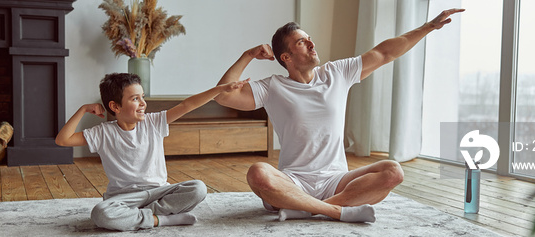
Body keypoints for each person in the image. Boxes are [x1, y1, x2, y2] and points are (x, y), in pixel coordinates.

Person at [214, 9, 465, 222]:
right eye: (302, 42)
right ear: (286, 57)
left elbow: (385, 53)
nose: (312, 44)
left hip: (337, 180)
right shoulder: (272, 87)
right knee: (258, 173)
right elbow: (223, 95)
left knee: (393, 171)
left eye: (309, 38)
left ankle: (306, 209)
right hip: (293, 182)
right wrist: (248, 55)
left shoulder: (337, 73)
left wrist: (428, 27)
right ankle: (335, 210)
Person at [55, 73, 249, 231]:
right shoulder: (103, 133)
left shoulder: (154, 122)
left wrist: (220, 89)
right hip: (124, 198)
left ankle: (143, 217)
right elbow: (62, 140)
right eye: (135, 98)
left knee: (198, 188)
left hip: (158, 192)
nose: (142, 103)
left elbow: (187, 105)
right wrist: (82, 109)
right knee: (100, 213)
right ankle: (161, 220)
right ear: (115, 106)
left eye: (142, 97)